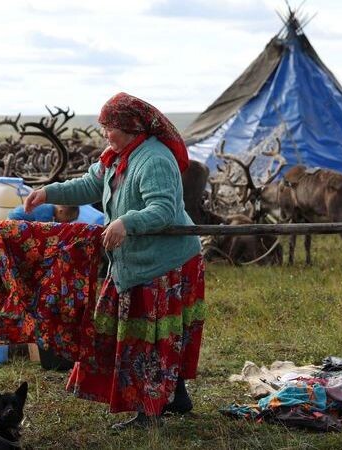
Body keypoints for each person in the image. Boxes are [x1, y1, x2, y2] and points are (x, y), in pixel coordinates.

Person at [24, 92, 205, 430]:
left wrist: (126, 222)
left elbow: (164, 210)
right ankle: (176, 397)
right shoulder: (116, 157)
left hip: (165, 263)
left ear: (130, 127)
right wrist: (48, 193)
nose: (105, 133)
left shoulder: (154, 160)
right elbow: (90, 185)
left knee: (151, 337)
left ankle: (150, 414)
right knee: (156, 334)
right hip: (133, 260)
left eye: (109, 127)